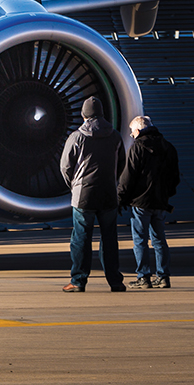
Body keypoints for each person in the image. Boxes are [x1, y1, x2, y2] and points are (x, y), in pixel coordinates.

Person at [59, 96, 126, 292]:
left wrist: (74, 185)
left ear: (84, 114)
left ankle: (79, 280)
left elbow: (65, 167)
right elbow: (121, 163)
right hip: (108, 194)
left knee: (81, 238)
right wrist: (112, 182)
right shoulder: (114, 136)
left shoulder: (77, 137)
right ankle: (115, 281)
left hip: (83, 195)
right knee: (109, 239)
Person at [118, 115, 181, 289]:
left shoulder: (137, 148)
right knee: (160, 239)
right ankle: (163, 276)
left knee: (140, 240)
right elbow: (175, 177)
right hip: (160, 201)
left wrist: (120, 199)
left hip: (140, 202)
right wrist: (166, 194)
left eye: (132, 133)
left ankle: (143, 277)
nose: (131, 136)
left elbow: (127, 178)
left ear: (138, 131)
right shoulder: (168, 147)